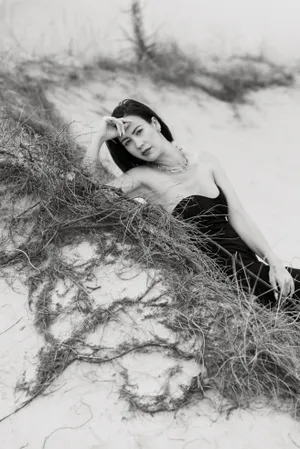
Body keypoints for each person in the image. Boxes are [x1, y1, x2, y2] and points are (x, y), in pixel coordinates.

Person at [84, 99, 300, 310]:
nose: (138, 144)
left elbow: (239, 217)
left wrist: (275, 263)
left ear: (155, 124)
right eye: (127, 142)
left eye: (139, 131)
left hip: (251, 267)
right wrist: (99, 137)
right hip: (223, 275)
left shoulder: (205, 161)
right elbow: (90, 196)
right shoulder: (143, 178)